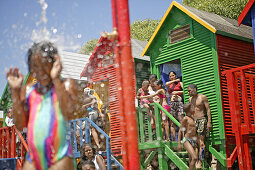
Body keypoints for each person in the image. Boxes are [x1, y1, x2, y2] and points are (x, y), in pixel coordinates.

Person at [7, 41, 78, 170]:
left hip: (60, 158)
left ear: (54, 63)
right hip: (33, 159)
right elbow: (20, 124)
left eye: (44, 64)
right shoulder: (28, 90)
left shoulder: (66, 85)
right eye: (35, 65)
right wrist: (15, 91)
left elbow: (67, 112)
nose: (40, 70)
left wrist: (56, 79)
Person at [187, 84, 212, 168]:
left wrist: (209, 122)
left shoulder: (202, 97)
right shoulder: (190, 99)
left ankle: (201, 162)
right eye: (187, 91)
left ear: (194, 89)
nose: (188, 92)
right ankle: (196, 161)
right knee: (194, 143)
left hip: (201, 120)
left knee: (201, 143)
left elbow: (208, 109)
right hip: (193, 122)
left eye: (189, 90)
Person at [178, 103, 198, 170]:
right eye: (192, 107)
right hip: (187, 140)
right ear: (189, 110)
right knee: (194, 157)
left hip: (193, 140)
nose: (194, 108)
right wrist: (179, 144)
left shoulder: (193, 118)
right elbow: (180, 131)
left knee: (191, 160)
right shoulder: (186, 119)